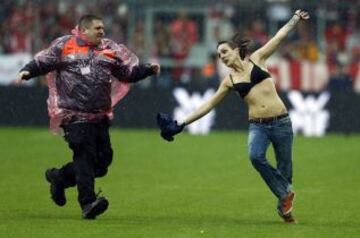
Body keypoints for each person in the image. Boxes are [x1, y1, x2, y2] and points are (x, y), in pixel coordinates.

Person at [157, 10, 310, 223]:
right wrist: (180, 123)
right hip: (258, 125)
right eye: (220, 55)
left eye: (225, 52)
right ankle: (285, 194)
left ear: (236, 50)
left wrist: (295, 19)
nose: (222, 57)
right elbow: (208, 104)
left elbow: (278, 37)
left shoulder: (258, 59)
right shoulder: (229, 81)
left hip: (282, 122)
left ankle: (284, 207)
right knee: (255, 156)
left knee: (285, 170)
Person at [16, 15, 160, 219]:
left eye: (103, 27)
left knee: (101, 163)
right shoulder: (64, 46)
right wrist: (27, 71)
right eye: (97, 28)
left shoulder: (108, 50)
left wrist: (146, 70)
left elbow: (125, 74)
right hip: (73, 116)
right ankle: (88, 203)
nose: (102, 31)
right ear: (83, 30)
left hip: (99, 116)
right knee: (84, 156)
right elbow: (43, 62)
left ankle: (60, 177)